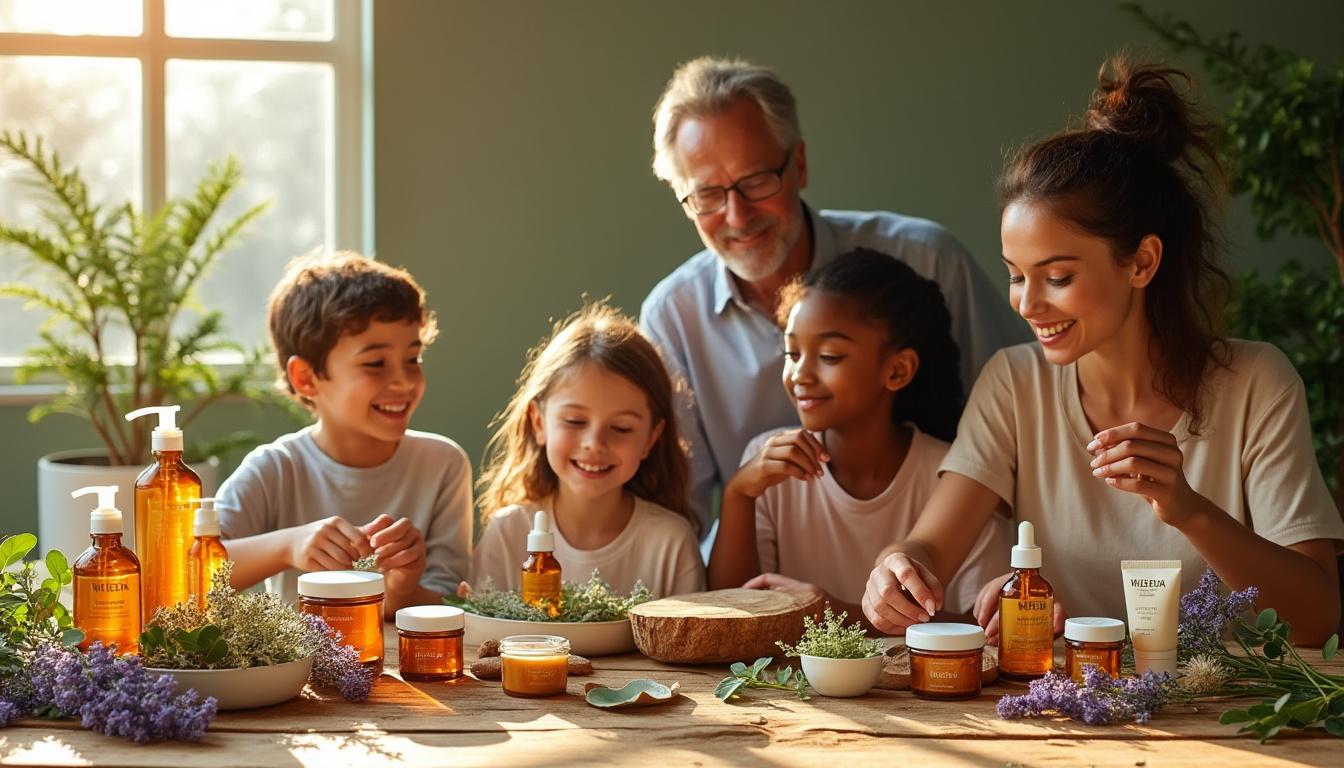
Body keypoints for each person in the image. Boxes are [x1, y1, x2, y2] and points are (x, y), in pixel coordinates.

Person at [862, 57, 1344, 645]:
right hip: (1067, 715)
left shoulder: (1255, 382)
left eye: (1058, 277)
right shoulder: (1015, 383)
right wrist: (898, 566)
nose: (1028, 303)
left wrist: (1187, 508)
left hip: (1229, 715)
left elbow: (1318, 616)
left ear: (1141, 262)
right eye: (1017, 275)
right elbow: (930, 546)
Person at [641, 55, 1031, 541]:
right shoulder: (672, 316)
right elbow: (681, 516)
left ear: (799, 164)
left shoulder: (929, 260)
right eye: (707, 195)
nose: (737, 216)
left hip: (941, 564)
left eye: (757, 180)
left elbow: (1022, 425)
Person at [707, 249, 1010, 623]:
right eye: (792, 352)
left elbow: (984, 626)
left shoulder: (955, 478)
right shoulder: (767, 464)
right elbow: (728, 614)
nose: (800, 374)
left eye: (830, 356)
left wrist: (833, 613)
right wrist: (739, 493)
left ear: (898, 370)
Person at [216, 252, 472, 617]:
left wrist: (401, 588)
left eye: (413, 359)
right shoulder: (272, 470)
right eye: (375, 364)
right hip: (299, 674)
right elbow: (189, 572)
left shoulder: (443, 464)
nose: (403, 380)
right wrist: (288, 546)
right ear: (306, 378)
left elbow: (453, 604)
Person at [470, 302, 705, 598]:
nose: (594, 442)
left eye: (621, 428)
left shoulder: (671, 543)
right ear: (538, 422)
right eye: (574, 421)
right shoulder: (507, 533)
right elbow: (482, 638)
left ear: (650, 438)